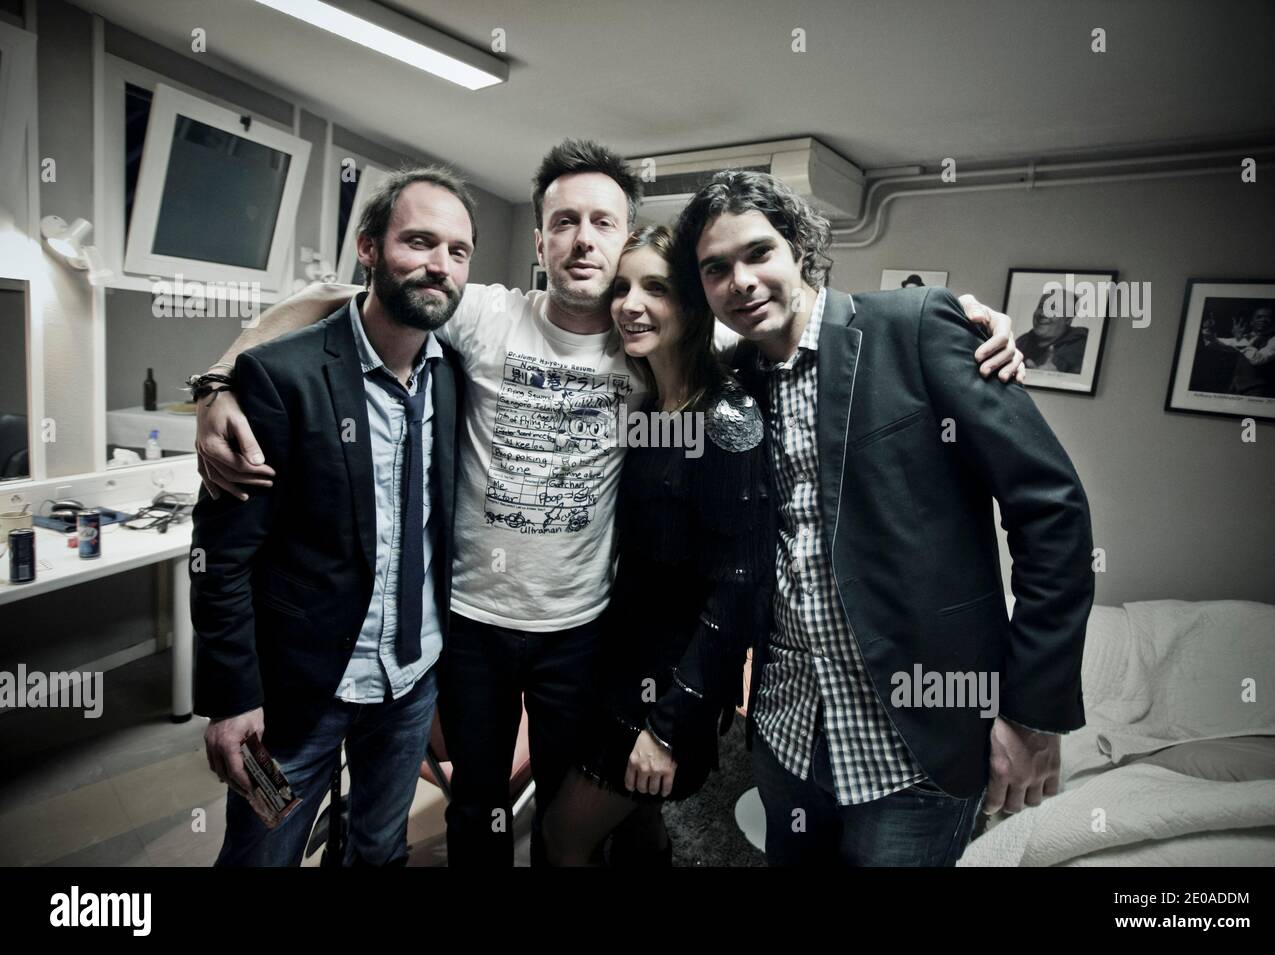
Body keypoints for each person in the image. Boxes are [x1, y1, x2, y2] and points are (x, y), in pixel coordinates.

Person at [192, 140, 1025, 866]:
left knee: (561, 817)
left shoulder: (659, 336)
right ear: (541, 238)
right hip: (465, 627)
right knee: (460, 809)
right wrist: (223, 375)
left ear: (628, 237)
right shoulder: (479, 313)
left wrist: (959, 317)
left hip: (576, 632)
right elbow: (337, 305)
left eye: (603, 222)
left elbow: (790, 325)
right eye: (563, 221)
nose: (583, 240)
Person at [671, 170, 1094, 866]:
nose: (740, 281)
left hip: (914, 742)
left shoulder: (913, 328)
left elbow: (1052, 510)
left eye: (757, 253)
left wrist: (1032, 713)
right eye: (716, 269)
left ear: (799, 248)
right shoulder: (733, 385)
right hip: (786, 730)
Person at [192, 165, 471, 865]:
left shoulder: (459, 376)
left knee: (379, 849)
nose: (439, 264)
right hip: (289, 703)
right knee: (261, 852)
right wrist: (231, 699)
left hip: (409, 688)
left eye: (458, 250)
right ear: (368, 249)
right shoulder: (280, 376)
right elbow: (221, 557)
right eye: (419, 241)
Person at [542, 226, 772, 866]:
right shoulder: (649, 403)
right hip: (616, 658)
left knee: (562, 836)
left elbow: (739, 588)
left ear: (695, 304)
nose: (630, 304)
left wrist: (671, 725)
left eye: (657, 288)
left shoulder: (724, 418)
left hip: (670, 685)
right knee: (635, 827)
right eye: (621, 288)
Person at [1201, 305, 1275, 397]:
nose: (1263, 320)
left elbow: (1258, 360)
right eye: (1259, 317)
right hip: (1235, 389)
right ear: (1251, 322)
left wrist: (1239, 338)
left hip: (1261, 391)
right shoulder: (1246, 338)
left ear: (1274, 322)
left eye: (1268, 317)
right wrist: (1208, 330)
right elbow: (1215, 344)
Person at [1020, 289, 1089, 374]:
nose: (1043, 314)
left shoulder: (1082, 350)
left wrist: (1057, 380)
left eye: (1053, 309)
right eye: (1041, 307)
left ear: (1068, 319)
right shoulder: (1021, 342)